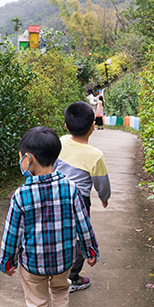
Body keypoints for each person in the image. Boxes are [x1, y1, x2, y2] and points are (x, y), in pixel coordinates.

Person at [0, 126, 99, 307]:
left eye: (21, 156)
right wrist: (91, 250)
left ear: (29, 159)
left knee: (37, 304)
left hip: (33, 264)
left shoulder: (21, 195)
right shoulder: (70, 188)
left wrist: (7, 261)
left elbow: (13, 233)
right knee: (60, 292)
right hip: (64, 260)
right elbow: (82, 222)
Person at [54, 101, 111, 292]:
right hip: (79, 200)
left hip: (55, 194)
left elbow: (51, 166)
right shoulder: (95, 155)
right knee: (78, 235)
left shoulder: (60, 142)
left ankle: (52, 271)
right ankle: (71, 278)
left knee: (56, 231)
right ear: (93, 126)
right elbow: (101, 183)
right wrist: (104, 197)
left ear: (66, 126)